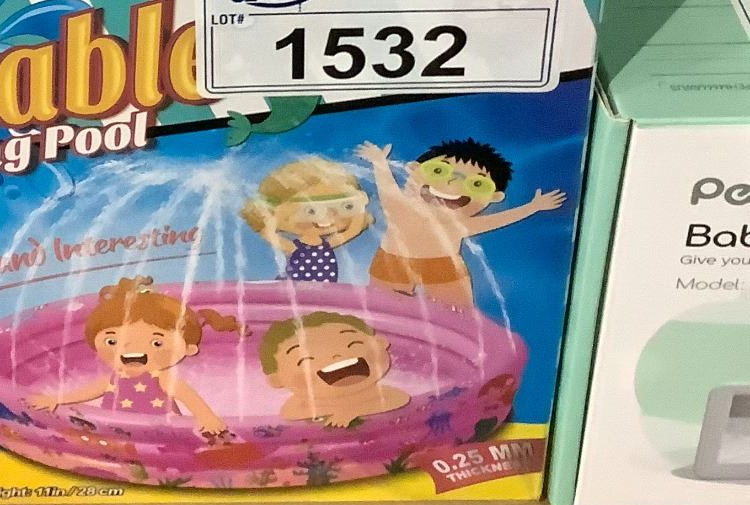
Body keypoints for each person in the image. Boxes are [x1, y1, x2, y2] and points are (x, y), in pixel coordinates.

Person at [356, 138, 565, 309]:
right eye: (438, 171)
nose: (452, 183)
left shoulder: (459, 224)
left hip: (443, 267)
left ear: (495, 196)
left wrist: (533, 207)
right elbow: (387, 188)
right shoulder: (401, 209)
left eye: (477, 184)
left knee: (456, 314)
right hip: (393, 261)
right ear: (414, 169)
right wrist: (379, 163)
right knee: (382, 309)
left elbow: (498, 220)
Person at [25, 275, 238, 438]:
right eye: (112, 341)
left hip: (162, 435)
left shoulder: (161, 378)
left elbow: (188, 396)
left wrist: (206, 417)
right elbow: (87, 392)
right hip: (118, 433)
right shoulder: (115, 379)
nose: (129, 349)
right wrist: (56, 399)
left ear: (189, 348)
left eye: (157, 343)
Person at [260, 311, 410, 428]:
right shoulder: (301, 404)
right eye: (306, 360)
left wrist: (354, 411)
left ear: (380, 343)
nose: (336, 356)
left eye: (353, 344)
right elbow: (290, 414)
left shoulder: (379, 394)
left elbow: (399, 399)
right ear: (276, 379)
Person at [239, 157, 372, 284]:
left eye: (346, 206)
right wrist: (266, 219)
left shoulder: (327, 244)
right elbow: (270, 235)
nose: (326, 218)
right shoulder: (296, 248)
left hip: (324, 291)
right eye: (310, 211)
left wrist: (359, 208)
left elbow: (352, 230)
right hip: (294, 290)